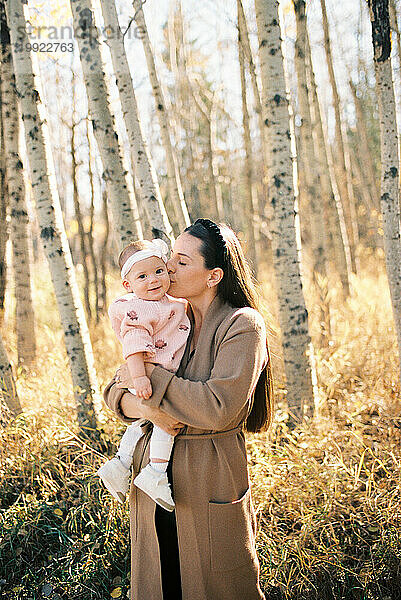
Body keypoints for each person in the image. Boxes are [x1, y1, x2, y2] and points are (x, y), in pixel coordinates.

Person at [103, 218, 274, 600]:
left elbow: (219, 406)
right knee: (161, 583)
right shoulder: (168, 316)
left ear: (213, 276)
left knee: (215, 586)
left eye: (181, 262)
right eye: (170, 258)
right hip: (152, 484)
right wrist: (147, 410)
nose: (167, 269)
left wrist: (148, 376)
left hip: (208, 479)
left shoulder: (242, 325)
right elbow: (114, 390)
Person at [97, 238, 190, 511]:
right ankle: (156, 473)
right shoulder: (139, 308)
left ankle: (121, 463)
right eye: (142, 276)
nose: (153, 280)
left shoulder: (168, 302)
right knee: (163, 424)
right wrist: (139, 379)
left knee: (141, 423)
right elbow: (134, 347)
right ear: (129, 286)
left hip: (159, 372)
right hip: (151, 376)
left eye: (159, 271)